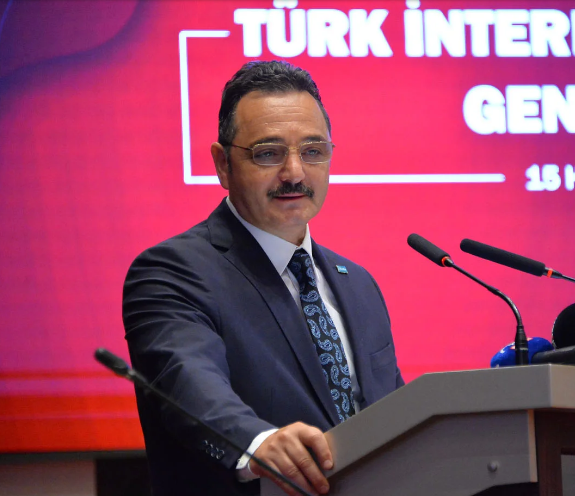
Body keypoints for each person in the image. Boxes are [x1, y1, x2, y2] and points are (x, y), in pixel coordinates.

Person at [123, 60, 404, 496]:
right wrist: (257, 442)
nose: (295, 173)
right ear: (223, 164)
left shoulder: (358, 285)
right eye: (268, 154)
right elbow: (188, 380)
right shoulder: (172, 273)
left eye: (313, 151)